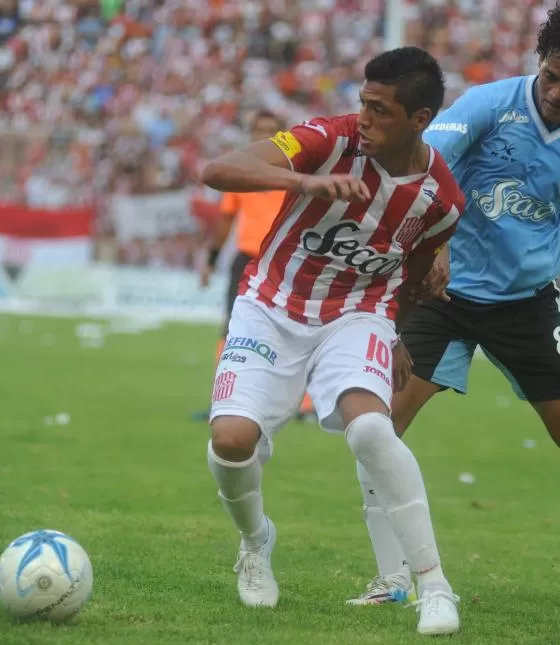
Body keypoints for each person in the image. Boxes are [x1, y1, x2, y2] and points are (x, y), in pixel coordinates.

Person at [346, 1, 560, 616]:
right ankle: (393, 576)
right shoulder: (488, 105)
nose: (557, 92)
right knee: (379, 428)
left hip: (525, 304)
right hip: (441, 295)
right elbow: (429, 163)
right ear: (541, 60)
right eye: (552, 75)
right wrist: (439, 244)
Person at [200, 47, 466, 635]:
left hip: (356, 314)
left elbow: (411, 270)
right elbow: (217, 170)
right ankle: (255, 542)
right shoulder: (327, 138)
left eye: (380, 109)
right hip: (270, 304)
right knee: (231, 439)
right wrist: (306, 181)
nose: (363, 117)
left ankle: (434, 585)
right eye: (362, 102)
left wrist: (394, 334)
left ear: (419, 119)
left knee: (372, 428)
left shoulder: (441, 200)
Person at [195, 109, 315, 423]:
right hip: (247, 259)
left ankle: (303, 405)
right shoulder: (240, 173)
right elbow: (225, 220)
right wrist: (210, 260)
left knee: (296, 331)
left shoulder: (297, 173)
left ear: (283, 138)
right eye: (258, 130)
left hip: (286, 260)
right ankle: (224, 398)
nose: (263, 137)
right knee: (232, 329)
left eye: (271, 131)